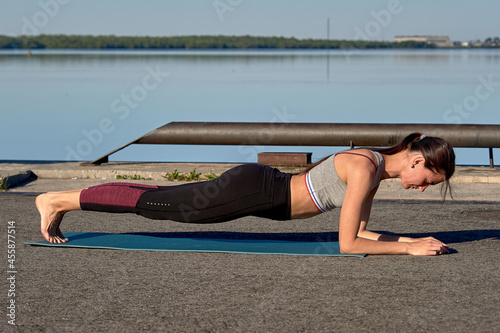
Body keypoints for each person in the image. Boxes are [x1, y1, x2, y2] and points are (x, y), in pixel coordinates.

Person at [36, 132, 455, 256]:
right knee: (161, 206)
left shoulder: (374, 169)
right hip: (254, 192)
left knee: (163, 198)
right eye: (428, 182)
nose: (421, 189)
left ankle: (64, 198)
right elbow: (348, 245)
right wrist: (407, 250)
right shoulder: (365, 168)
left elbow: (362, 235)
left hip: (259, 186)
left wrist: (409, 241)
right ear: (419, 162)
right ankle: (57, 200)